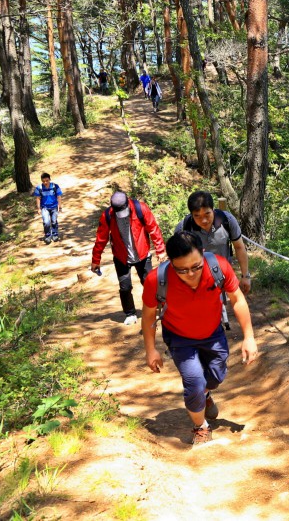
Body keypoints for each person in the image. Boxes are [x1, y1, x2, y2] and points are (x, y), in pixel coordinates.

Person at [142, 231, 258, 447]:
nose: (191, 274)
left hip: (213, 333)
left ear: (203, 254)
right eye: (182, 270)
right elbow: (149, 314)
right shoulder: (156, 280)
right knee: (194, 380)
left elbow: (237, 299)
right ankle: (201, 426)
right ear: (171, 263)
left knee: (216, 374)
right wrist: (151, 349)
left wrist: (249, 337)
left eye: (196, 266)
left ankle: (204, 394)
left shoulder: (219, 267)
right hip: (179, 337)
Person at [91, 191, 166, 325]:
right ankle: (130, 313)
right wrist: (96, 260)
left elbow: (153, 229)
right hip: (121, 257)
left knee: (150, 284)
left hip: (142, 254)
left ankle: (159, 308)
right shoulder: (108, 215)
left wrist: (160, 250)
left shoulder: (140, 209)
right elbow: (101, 238)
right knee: (125, 287)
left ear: (128, 202)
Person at [174, 191, 251, 295]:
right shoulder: (184, 228)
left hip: (222, 278)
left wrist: (245, 276)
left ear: (213, 210)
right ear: (191, 215)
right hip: (195, 282)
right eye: (197, 216)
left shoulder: (227, 220)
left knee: (220, 308)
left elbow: (239, 247)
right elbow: (177, 258)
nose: (204, 220)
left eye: (207, 214)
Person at [32, 172, 62, 244]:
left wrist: (59, 207)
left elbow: (59, 197)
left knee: (54, 221)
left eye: (47, 180)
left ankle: (55, 234)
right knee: (46, 222)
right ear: (42, 181)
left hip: (54, 207)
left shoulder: (55, 186)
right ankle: (48, 236)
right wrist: (38, 208)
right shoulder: (39, 188)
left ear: (49, 179)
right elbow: (38, 198)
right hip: (44, 208)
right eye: (43, 181)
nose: (45, 182)